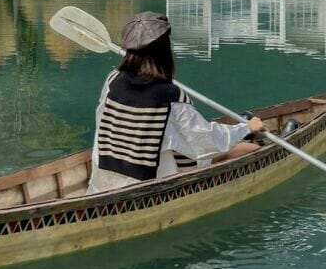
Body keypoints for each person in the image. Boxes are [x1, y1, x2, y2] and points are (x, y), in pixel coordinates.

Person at [87, 11, 264, 195]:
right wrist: (246, 128)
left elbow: (102, 125)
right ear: (164, 51)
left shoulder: (113, 80)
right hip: (148, 188)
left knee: (183, 143)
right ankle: (254, 137)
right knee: (248, 148)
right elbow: (207, 140)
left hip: (101, 183)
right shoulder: (170, 96)